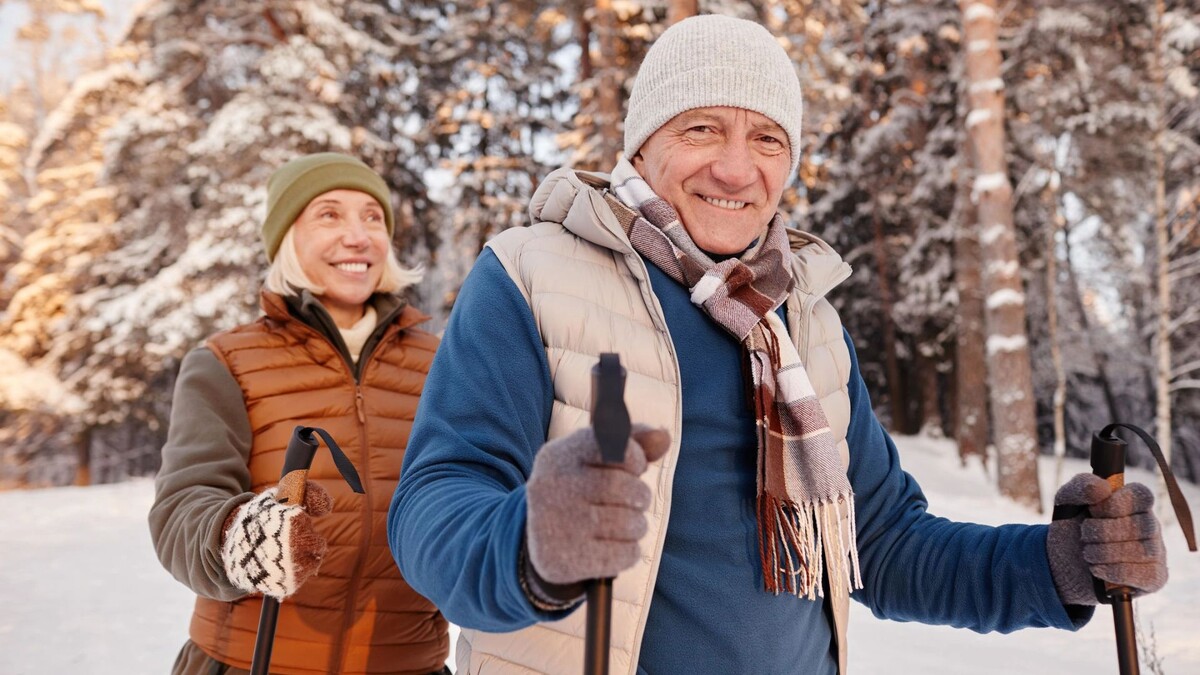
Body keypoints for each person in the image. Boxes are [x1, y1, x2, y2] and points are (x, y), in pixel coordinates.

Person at [387, 14, 1167, 675]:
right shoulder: (529, 273)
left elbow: (883, 542)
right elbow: (431, 508)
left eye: (766, 138)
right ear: (641, 146)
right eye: (702, 128)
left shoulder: (799, 317)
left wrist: (1057, 564)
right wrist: (529, 542)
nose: (736, 167)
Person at [150, 152, 450, 675]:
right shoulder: (226, 362)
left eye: (372, 217)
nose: (358, 236)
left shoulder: (445, 363)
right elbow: (180, 511)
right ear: (287, 236)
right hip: (252, 661)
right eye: (329, 215)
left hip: (407, 664)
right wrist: (238, 536)